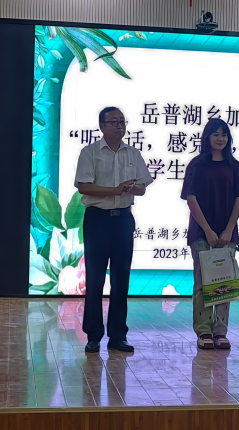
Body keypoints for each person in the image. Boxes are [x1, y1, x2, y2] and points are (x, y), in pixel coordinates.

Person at [75, 107, 153, 354]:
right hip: (97, 219)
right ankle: (93, 336)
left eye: (122, 122)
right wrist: (115, 190)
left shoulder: (133, 153)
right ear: (102, 126)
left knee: (121, 279)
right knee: (95, 279)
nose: (120, 126)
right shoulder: (90, 153)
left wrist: (130, 188)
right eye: (114, 122)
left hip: (123, 220)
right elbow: (84, 187)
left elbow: (142, 187)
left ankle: (118, 336)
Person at [181, 118, 239, 350]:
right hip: (201, 232)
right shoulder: (196, 164)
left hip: (228, 233)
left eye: (224, 135)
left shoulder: (234, 166)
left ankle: (220, 331)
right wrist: (208, 230)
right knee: (202, 283)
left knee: (224, 282)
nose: (220, 139)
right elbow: (191, 198)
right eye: (216, 134)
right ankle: (203, 331)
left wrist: (228, 229)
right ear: (207, 137)